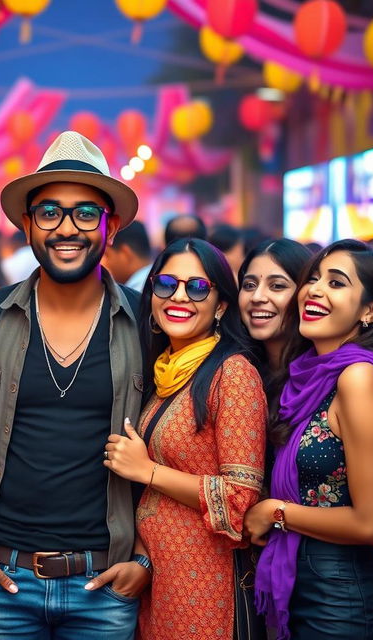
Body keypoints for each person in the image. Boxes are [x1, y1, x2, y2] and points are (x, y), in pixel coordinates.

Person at [0, 131, 148, 639]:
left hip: (103, 586)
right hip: (2, 583)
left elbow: (169, 448)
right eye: (49, 212)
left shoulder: (144, 321)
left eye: (85, 213)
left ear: (113, 225)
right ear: (26, 224)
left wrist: (143, 561)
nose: (66, 229)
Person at [103, 237, 267, 639]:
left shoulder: (233, 373)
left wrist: (147, 471)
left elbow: (239, 499)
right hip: (157, 580)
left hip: (205, 585)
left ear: (221, 305)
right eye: (167, 284)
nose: (180, 296)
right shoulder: (165, 372)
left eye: (197, 287)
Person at [245, 239, 373, 640]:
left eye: (336, 282)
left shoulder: (360, 378)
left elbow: (371, 523)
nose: (314, 290)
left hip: (342, 604)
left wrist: (276, 512)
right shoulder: (310, 377)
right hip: (307, 589)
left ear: (371, 310)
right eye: (313, 278)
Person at [238, 239, 312, 373]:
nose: (257, 297)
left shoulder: (326, 376)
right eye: (249, 285)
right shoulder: (234, 370)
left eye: (277, 286)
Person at [103, 220, 153, 291]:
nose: (101, 263)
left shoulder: (137, 292)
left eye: (106, 255)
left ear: (125, 253)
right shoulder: (157, 281)